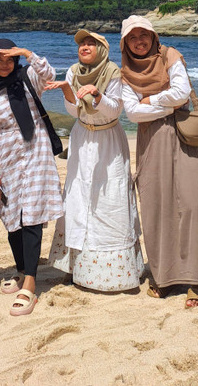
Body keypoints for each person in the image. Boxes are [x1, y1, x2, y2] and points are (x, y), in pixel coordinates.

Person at [120, 16, 198, 308]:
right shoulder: (124, 73)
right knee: (157, 206)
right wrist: (160, 104)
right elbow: (132, 114)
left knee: (193, 203)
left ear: (154, 37)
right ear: (125, 43)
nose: (139, 41)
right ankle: (164, 278)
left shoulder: (171, 56)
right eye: (132, 37)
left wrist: (149, 102)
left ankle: (197, 280)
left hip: (182, 138)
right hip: (151, 142)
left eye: (144, 35)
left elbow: (181, 94)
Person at [47, 30, 143, 291]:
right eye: (81, 43)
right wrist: (69, 90)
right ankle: (77, 266)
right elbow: (73, 110)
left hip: (107, 139)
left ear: (102, 49)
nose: (84, 47)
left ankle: (113, 272)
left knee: (108, 197)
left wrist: (97, 96)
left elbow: (115, 109)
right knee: (78, 196)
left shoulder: (113, 72)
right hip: (81, 139)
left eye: (91, 43)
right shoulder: (73, 71)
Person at [0, 39, 63, 316]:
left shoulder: (28, 77)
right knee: (12, 217)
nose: (5, 65)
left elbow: (49, 75)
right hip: (7, 160)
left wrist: (29, 54)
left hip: (37, 154)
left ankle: (30, 282)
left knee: (32, 215)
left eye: (9, 59)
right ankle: (20, 270)